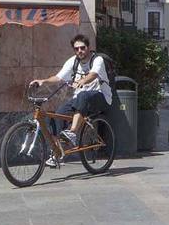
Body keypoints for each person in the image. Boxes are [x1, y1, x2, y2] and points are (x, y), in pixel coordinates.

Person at [30, 34, 112, 165]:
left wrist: (83, 81)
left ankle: (72, 132)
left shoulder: (97, 60)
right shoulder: (73, 61)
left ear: (88, 47)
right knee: (57, 115)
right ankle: (58, 153)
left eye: (82, 48)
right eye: (76, 49)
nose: (79, 51)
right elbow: (59, 78)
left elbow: (93, 74)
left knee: (83, 96)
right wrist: (43, 81)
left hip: (100, 96)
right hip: (80, 98)